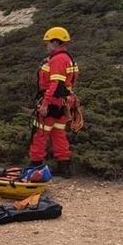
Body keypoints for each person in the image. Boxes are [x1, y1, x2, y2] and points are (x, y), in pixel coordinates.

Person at [29, 26, 79, 178]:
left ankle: (35, 166)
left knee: (40, 132)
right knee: (58, 133)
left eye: (49, 42)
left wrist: (45, 103)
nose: (47, 45)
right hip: (63, 103)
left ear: (56, 42)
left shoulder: (58, 60)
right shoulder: (67, 58)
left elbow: (55, 83)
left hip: (52, 102)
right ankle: (64, 168)